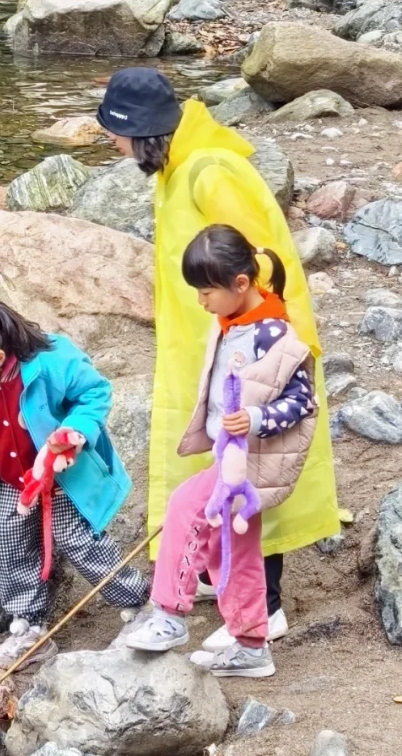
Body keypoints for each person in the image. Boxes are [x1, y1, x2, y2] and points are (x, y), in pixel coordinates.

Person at [96, 66, 338, 653]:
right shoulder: (177, 168)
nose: (112, 142)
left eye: (117, 133)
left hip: (248, 351)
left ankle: (268, 608)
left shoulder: (210, 170)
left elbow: (262, 262)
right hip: (208, 345)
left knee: (253, 468)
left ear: (143, 133)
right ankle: (214, 571)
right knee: (211, 463)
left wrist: (257, 350)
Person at [0, 298, 149, 669]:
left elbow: (95, 393)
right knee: (10, 542)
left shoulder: (50, 362)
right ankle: (28, 629)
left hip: (61, 473)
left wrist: (75, 432)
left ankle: (138, 605)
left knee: (78, 540)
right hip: (11, 479)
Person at [125, 224, 318, 677]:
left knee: (186, 506)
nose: (201, 302)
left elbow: (302, 400)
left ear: (241, 284)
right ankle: (252, 646)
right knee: (232, 549)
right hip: (229, 455)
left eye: (207, 291)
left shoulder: (273, 333)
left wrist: (253, 420)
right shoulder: (231, 320)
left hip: (249, 463)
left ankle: (169, 614)